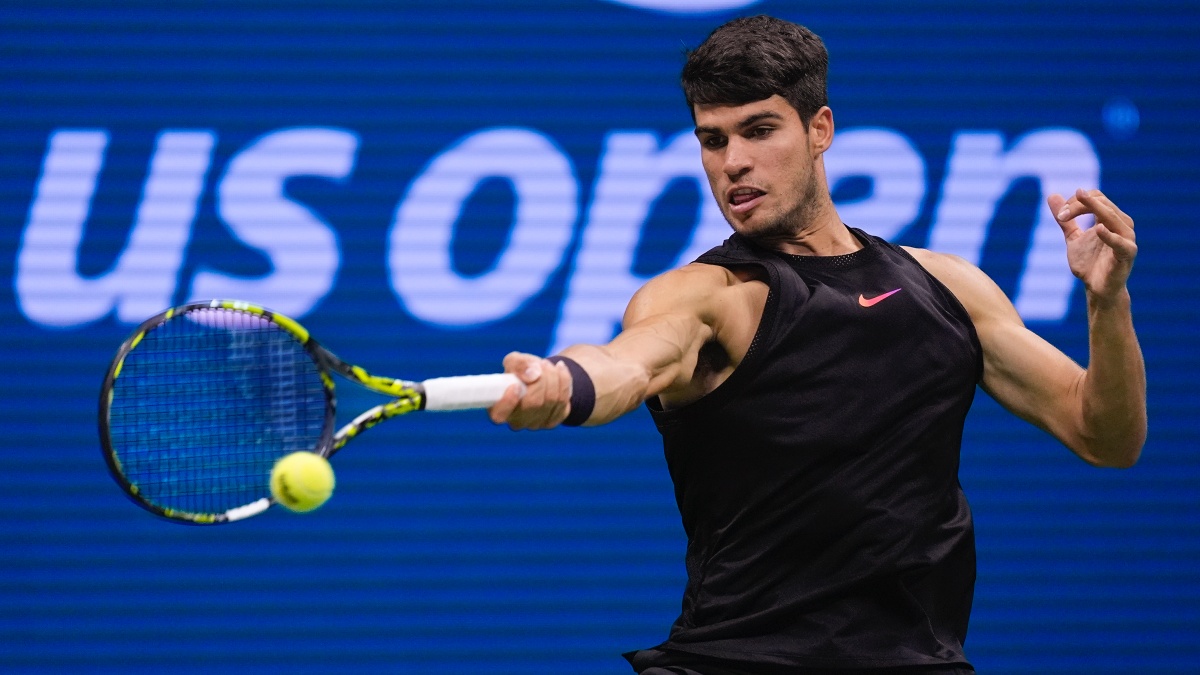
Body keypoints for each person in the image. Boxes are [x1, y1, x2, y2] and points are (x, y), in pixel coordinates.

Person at [489, 14, 1146, 675]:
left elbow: (1105, 434)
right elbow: (627, 361)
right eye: (712, 140)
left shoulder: (949, 289)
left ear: (820, 130)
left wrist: (1106, 301)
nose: (733, 162)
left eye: (759, 129)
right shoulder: (709, 296)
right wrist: (565, 385)